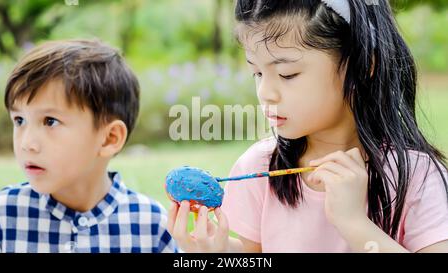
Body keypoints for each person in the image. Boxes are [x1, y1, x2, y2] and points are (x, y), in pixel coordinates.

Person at [168, 0, 448, 253]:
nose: (265, 92)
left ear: (362, 67)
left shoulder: (416, 178)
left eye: (287, 74)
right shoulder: (260, 166)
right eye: (257, 72)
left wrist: (353, 224)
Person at [0, 39, 178, 253]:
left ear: (110, 138)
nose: (27, 143)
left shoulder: (152, 226)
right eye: (19, 120)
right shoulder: (4, 215)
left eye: (50, 121)